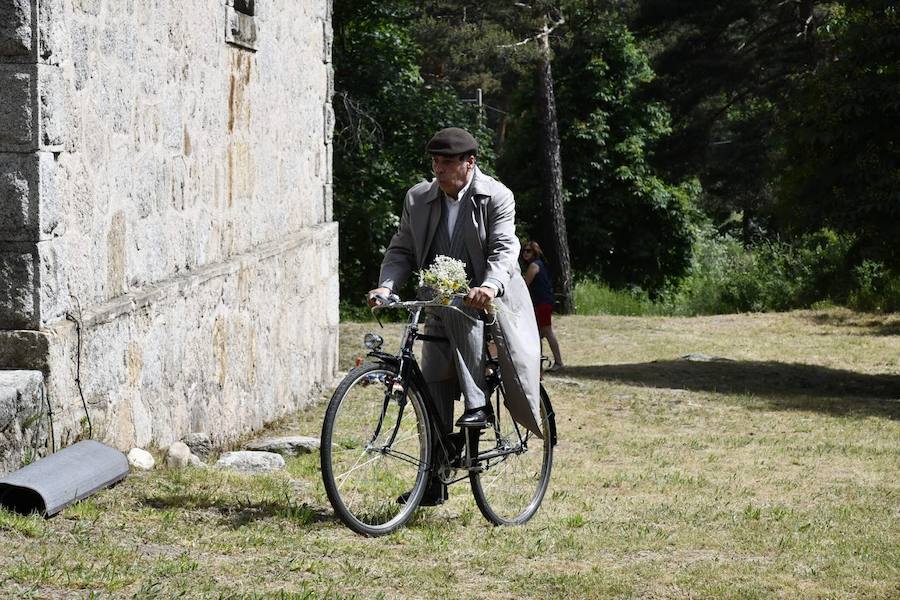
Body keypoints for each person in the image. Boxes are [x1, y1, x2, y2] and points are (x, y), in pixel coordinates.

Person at [368, 127, 542, 506]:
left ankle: (478, 404)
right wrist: (386, 287)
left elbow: (504, 249)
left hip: (489, 300)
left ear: (470, 162)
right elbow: (402, 249)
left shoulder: (495, 195)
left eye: (448, 163)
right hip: (438, 303)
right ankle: (433, 480)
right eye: (435, 162)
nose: (440, 169)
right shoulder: (418, 197)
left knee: (470, 330)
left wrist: (490, 286)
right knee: (432, 386)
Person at [521, 241, 564, 371]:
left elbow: (524, 285)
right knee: (537, 333)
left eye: (528, 251)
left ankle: (559, 362)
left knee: (547, 331)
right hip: (543, 302)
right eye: (524, 250)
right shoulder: (539, 265)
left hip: (542, 303)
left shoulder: (534, 266)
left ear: (535, 252)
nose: (525, 253)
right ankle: (537, 364)